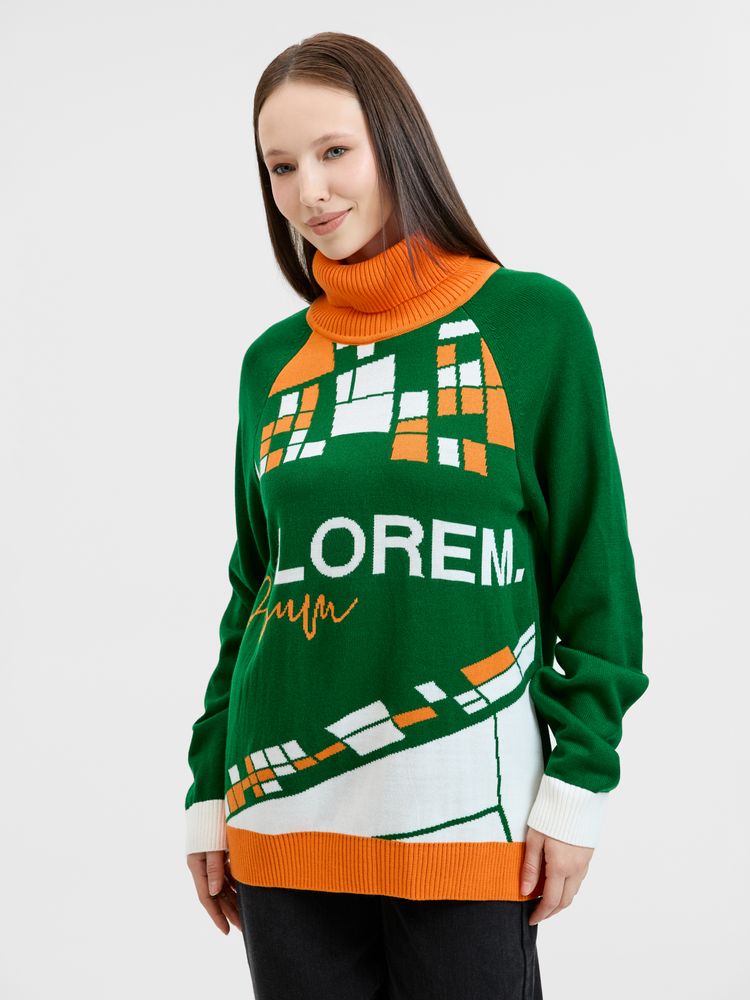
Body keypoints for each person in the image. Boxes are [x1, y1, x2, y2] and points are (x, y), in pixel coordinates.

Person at [183, 30, 649, 1000]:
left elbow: (594, 580)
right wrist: (207, 791)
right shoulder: (273, 363)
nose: (310, 191)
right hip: (280, 806)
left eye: (334, 151)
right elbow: (255, 588)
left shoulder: (532, 324)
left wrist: (579, 785)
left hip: (464, 809)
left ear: (395, 144)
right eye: (281, 166)